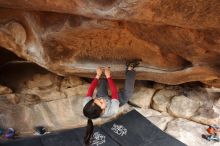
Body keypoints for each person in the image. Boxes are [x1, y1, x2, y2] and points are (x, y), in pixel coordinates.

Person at [83, 61, 139, 145]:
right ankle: (130, 69)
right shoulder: (112, 110)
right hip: (115, 102)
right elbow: (114, 94)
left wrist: (97, 75)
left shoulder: (87, 105)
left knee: (102, 83)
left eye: (96, 100)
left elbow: (90, 90)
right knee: (128, 93)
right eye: (101, 102)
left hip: (105, 99)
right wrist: (109, 76)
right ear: (102, 110)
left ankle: (103, 74)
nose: (101, 99)